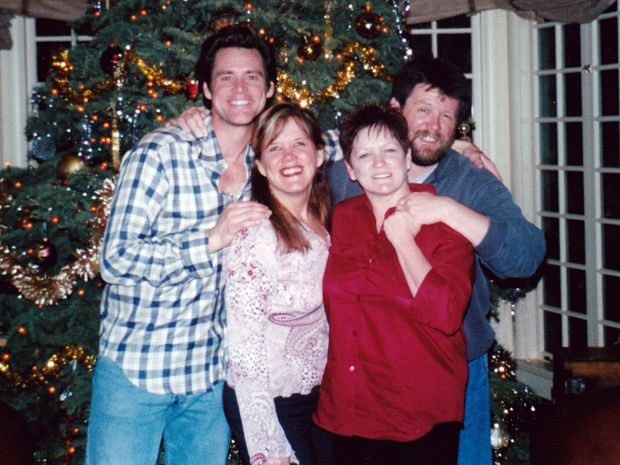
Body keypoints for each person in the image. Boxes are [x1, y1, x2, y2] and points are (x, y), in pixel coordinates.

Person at [327, 56, 546, 465]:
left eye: (448, 116)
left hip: (454, 365)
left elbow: (526, 256)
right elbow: (294, 150)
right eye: (424, 109)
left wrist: (448, 211)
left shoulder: (469, 181)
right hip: (371, 373)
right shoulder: (351, 173)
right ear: (396, 110)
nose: (434, 125)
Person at [86, 25, 275, 465]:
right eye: (226, 77)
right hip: (138, 370)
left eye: (252, 76)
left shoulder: (270, 160)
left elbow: (350, 150)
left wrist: (454, 148)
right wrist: (210, 240)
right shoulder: (160, 154)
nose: (240, 88)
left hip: (209, 377)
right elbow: (114, 260)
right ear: (206, 89)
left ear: (269, 90)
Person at [314, 104, 475, 465]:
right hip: (346, 412)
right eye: (365, 155)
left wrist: (403, 240)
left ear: (406, 158)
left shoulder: (445, 220)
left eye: (389, 151)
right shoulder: (343, 217)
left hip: (417, 418)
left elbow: (446, 314)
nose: (380, 163)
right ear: (351, 169)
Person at [223, 102, 332, 465]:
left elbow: (373, 148)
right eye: (274, 147)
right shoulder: (255, 235)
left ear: (320, 154)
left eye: (299, 144)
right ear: (260, 165)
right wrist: (267, 448)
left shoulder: (327, 219)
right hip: (269, 402)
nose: (289, 156)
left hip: (321, 398)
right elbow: (245, 354)